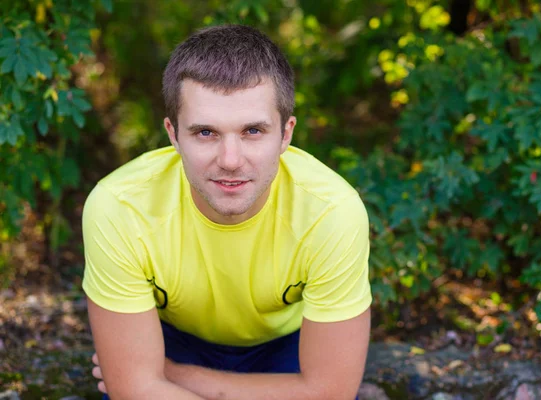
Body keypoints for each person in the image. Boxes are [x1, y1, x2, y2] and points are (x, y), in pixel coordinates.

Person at [83, 24, 372, 400]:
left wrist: (169, 375)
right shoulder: (119, 207)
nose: (230, 161)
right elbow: (134, 389)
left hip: (285, 346)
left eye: (253, 131)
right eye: (206, 133)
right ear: (173, 134)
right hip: (170, 336)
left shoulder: (331, 212)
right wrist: (145, 377)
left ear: (286, 134)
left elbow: (328, 393)